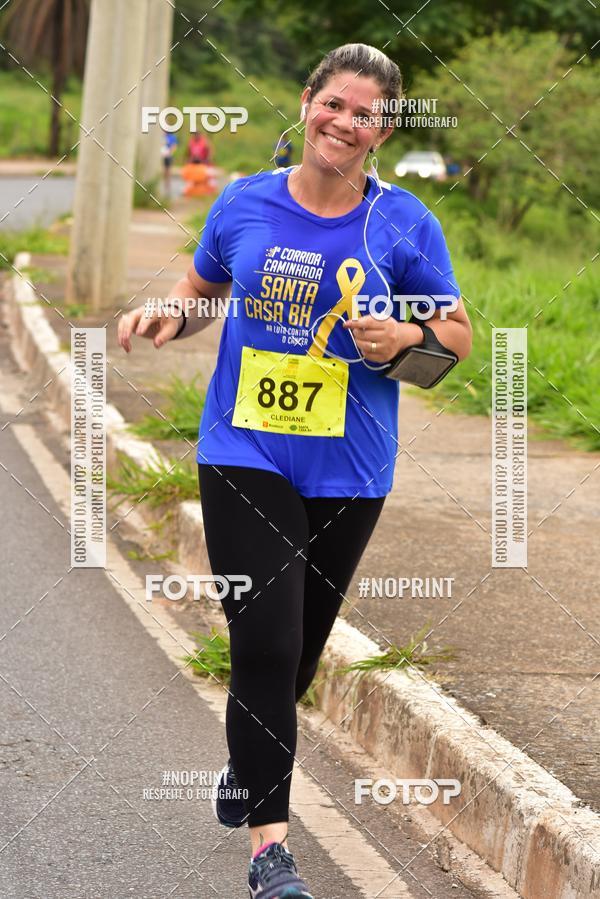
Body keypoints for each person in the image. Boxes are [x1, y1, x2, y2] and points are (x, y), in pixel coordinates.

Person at [118, 42, 472, 899]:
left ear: (383, 131)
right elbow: (203, 290)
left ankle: (247, 763)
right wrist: (169, 312)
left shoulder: (404, 223)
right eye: (334, 104)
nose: (344, 123)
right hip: (244, 453)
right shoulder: (242, 202)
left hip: (350, 468)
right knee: (266, 643)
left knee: (299, 652)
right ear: (306, 102)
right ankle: (270, 852)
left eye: (365, 114)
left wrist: (405, 341)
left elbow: (457, 335)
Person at [161, 129, 178, 196]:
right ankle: (165, 186)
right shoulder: (162, 136)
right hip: (163, 155)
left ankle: (168, 187)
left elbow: (174, 146)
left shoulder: (171, 137)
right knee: (164, 172)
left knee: (168, 171)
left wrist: (169, 153)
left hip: (168, 156)